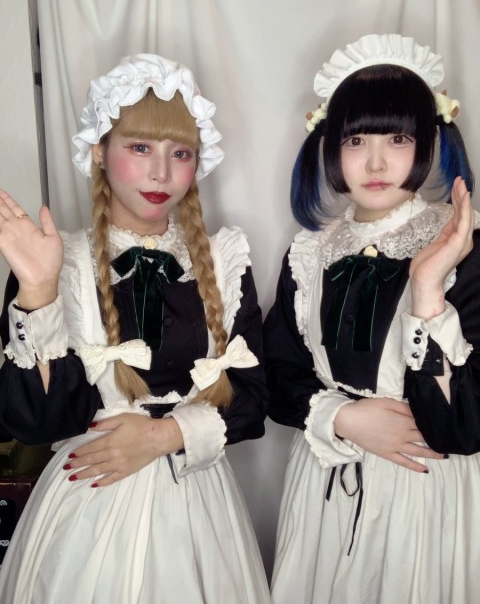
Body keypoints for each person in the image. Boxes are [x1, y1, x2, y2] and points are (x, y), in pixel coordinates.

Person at [0, 54, 270, 603]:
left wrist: (164, 435)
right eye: (141, 147)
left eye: (180, 153)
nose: (161, 173)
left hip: (198, 511)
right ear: (100, 151)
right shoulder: (56, 259)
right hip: (85, 510)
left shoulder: (223, 260)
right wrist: (39, 290)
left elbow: (254, 398)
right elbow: (36, 422)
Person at [264, 33, 479, 604]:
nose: (377, 162)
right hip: (325, 483)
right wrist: (342, 417)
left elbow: (465, 426)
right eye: (356, 140)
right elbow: (277, 378)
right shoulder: (309, 252)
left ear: (428, 143)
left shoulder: (463, 244)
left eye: (398, 139)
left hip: (423, 489)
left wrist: (428, 290)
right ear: (330, 147)